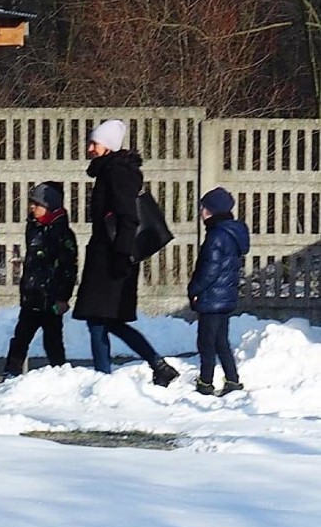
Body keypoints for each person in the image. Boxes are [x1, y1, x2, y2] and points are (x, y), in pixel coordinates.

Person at [72, 119, 179, 386]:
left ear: (107, 146)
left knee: (99, 321)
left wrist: (120, 255)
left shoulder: (116, 173)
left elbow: (127, 218)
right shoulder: (111, 170)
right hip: (108, 257)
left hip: (112, 259)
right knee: (107, 321)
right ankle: (157, 365)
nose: (89, 149)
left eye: (94, 143)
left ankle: (104, 381)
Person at [3, 182, 77, 379]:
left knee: (52, 340)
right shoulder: (34, 229)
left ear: (50, 206)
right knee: (20, 337)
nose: (32, 208)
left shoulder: (62, 234)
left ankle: (61, 374)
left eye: (37, 204)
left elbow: (68, 268)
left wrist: (63, 297)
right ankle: (11, 373)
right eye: (31, 203)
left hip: (51, 298)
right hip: (32, 296)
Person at [187, 187, 250, 396]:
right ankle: (232, 380)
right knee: (221, 341)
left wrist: (194, 289)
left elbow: (209, 269)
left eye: (204, 207)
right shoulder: (231, 233)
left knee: (206, 342)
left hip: (211, 297)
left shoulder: (216, 235)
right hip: (225, 297)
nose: (201, 211)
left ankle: (205, 383)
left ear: (212, 210)